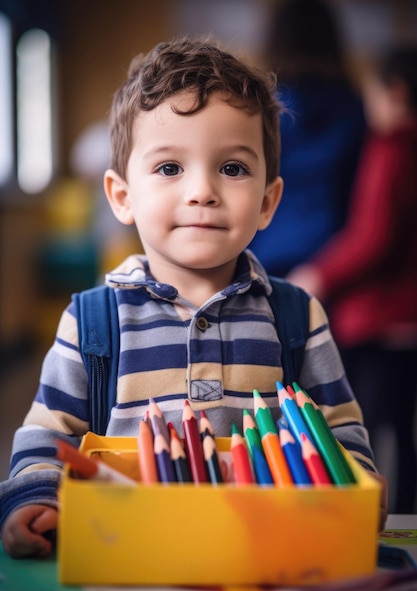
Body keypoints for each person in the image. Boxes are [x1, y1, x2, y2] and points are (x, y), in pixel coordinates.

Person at [0, 35, 387, 559]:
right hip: (129, 557)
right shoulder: (93, 320)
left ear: (268, 202)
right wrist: (35, 497)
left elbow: (339, 427)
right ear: (122, 197)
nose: (202, 190)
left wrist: (357, 482)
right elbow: (50, 433)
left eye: (232, 168)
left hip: (267, 559)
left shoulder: (296, 315)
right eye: (169, 168)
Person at [287, 46, 417, 513]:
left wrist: (319, 273)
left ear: (395, 93)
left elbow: (373, 236)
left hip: (381, 320)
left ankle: (382, 524)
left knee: (374, 432)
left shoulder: (391, 146)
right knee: (402, 429)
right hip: (407, 321)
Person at [249, 0, 366, 277]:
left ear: (274, 40)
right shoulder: (355, 109)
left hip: (264, 253)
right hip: (331, 261)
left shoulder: (263, 110)